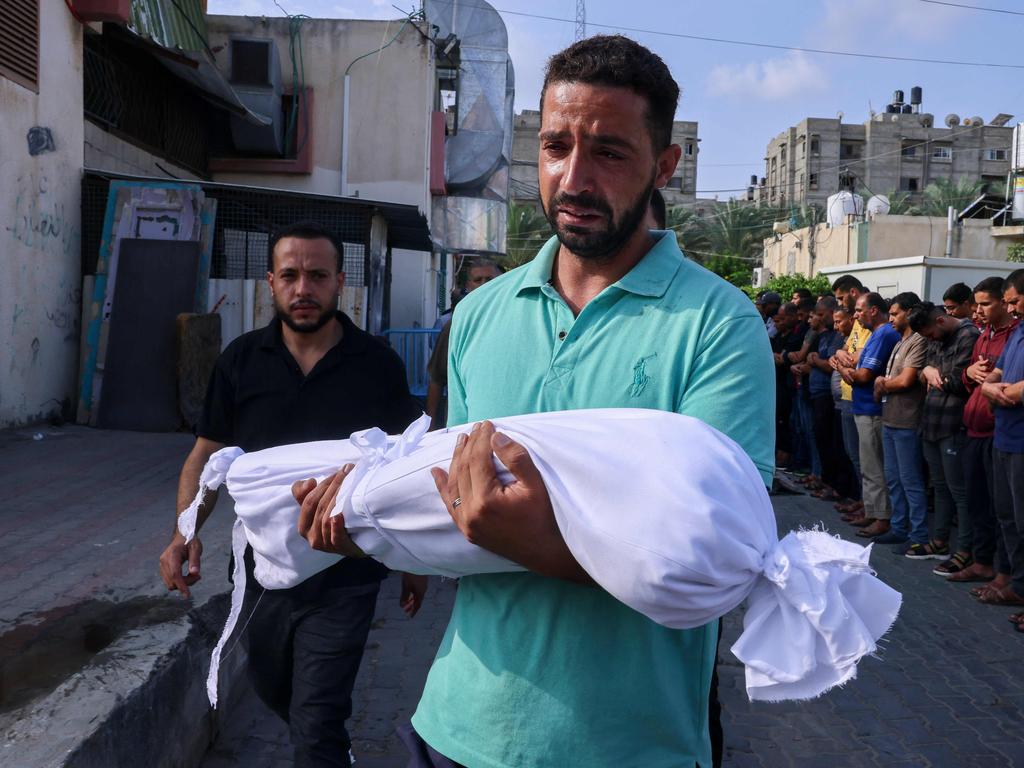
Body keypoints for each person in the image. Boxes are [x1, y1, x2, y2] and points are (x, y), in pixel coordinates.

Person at [298, 35, 775, 767]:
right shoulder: (481, 315)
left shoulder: (717, 323)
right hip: (455, 726)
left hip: (630, 747)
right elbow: (455, 501)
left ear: (665, 166)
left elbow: (718, 556)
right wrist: (370, 523)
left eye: (610, 152)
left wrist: (535, 539)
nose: (574, 177)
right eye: (556, 146)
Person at [158, 222, 426, 768]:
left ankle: (327, 749)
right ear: (271, 283)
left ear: (340, 283)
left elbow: (409, 465)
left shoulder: (376, 363)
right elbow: (206, 456)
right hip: (261, 572)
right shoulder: (240, 360)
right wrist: (184, 534)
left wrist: (415, 558)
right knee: (273, 687)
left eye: (318, 276)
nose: (304, 288)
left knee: (317, 717)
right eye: (291, 275)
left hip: (345, 569)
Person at [949, 276, 1018, 585]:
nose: (978, 311)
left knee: (1002, 510)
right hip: (973, 430)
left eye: (985, 304)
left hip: (999, 432)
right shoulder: (984, 335)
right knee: (978, 503)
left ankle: (1005, 575)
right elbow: (972, 380)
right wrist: (969, 372)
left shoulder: (1014, 333)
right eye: (976, 304)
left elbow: (1002, 383)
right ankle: (982, 562)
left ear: (1004, 302)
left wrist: (996, 389)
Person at [907, 301, 980, 565]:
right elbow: (926, 373)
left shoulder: (969, 335)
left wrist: (935, 375)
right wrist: (927, 371)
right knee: (939, 487)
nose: (929, 340)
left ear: (940, 320)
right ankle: (939, 541)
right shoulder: (936, 337)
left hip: (954, 424)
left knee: (959, 490)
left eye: (929, 335)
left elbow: (961, 381)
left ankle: (964, 549)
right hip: (932, 422)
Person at [977, 269, 1024, 616]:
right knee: (1007, 517)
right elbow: (994, 376)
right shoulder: (1018, 333)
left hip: (1021, 441)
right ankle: (1013, 582)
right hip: (1004, 437)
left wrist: (1003, 390)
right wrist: (990, 387)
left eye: (1015, 301)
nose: (1012, 308)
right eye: (1007, 302)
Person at [836, 292, 899, 538]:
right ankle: (873, 511)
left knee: (874, 467)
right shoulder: (876, 334)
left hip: (872, 411)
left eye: (860, 311)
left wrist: (842, 367)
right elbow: (854, 366)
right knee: (868, 465)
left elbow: (862, 375)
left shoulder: (884, 334)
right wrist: (847, 367)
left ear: (873, 310)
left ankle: (882, 516)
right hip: (863, 407)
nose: (856, 315)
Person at [871, 292, 928, 549]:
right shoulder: (899, 341)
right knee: (893, 478)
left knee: (911, 481)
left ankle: (918, 536)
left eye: (895, 313)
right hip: (890, 418)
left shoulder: (918, 341)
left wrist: (882, 383)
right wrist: (883, 385)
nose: (891, 318)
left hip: (907, 420)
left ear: (909, 312)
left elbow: (906, 380)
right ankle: (899, 527)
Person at [425, 258, 503, 429]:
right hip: (466, 430)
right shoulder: (456, 325)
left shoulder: (520, 319)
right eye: (478, 280)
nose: (484, 285)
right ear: (468, 285)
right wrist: (429, 428)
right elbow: (437, 380)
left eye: (489, 279)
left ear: (502, 280)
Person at [830, 275, 871, 519]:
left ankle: (871, 505)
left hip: (860, 397)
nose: (842, 304)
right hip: (847, 395)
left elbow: (860, 356)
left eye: (841, 297)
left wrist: (844, 366)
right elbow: (845, 350)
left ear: (853, 292)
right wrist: (838, 354)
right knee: (854, 455)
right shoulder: (856, 320)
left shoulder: (867, 320)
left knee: (865, 459)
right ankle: (862, 499)